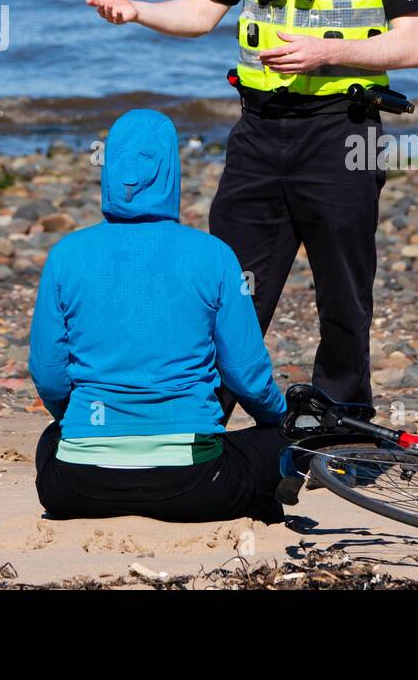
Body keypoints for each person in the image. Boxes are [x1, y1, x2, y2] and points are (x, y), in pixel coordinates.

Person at [85, 0, 418, 410]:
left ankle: (342, 415)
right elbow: (197, 12)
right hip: (258, 133)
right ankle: (203, 411)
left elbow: (412, 45)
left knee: (345, 291)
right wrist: (136, 13)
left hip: (342, 131)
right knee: (230, 287)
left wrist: (331, 52)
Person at [29, 109, 289, 524]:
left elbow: (48, 372)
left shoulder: (66, 254)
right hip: (197, 484)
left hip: (76, 487)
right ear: (172, 172)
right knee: (282, 444)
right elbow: (245, 374)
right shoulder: (214, 255)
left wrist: (73, 418)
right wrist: (276, 420)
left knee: (51, 440)